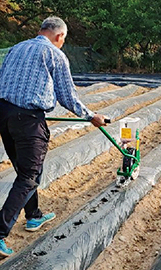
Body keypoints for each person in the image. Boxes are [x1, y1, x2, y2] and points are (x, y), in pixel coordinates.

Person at [0, 16, 108, 258]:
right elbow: (67, 96)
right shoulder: (54, 54)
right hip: (28, 119)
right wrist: (91, 116)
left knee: (24, 170)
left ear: (41, 30)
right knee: (29, 175)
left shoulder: (17, 48)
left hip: (4, 115)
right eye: (64, 40)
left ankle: (34, 216)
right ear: (60, 36)